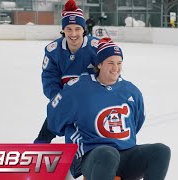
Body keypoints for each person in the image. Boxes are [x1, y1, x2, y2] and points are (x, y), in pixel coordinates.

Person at [47, 38, 171, 180]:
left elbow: (136, 122)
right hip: (92, 156)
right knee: (107, 153)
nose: (115, 68)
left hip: (126, 154)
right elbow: (54, 118)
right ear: (99, 64)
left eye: (119, 63)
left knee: (161, 151)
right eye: (110, 63)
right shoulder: (78, 88)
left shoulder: (131, 90)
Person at [33, 0, 99, 144]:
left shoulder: (97, 48)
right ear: (63, 30)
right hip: (65, 101)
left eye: (77, 28)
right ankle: (37, 154)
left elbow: (109, 75)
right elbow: (49, 80)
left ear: (84, 29)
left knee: (89, 138)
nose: (73, 33)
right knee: (47, 130)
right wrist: (61, 100)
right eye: (69, 29)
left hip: (93, 104)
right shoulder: (53, 50)